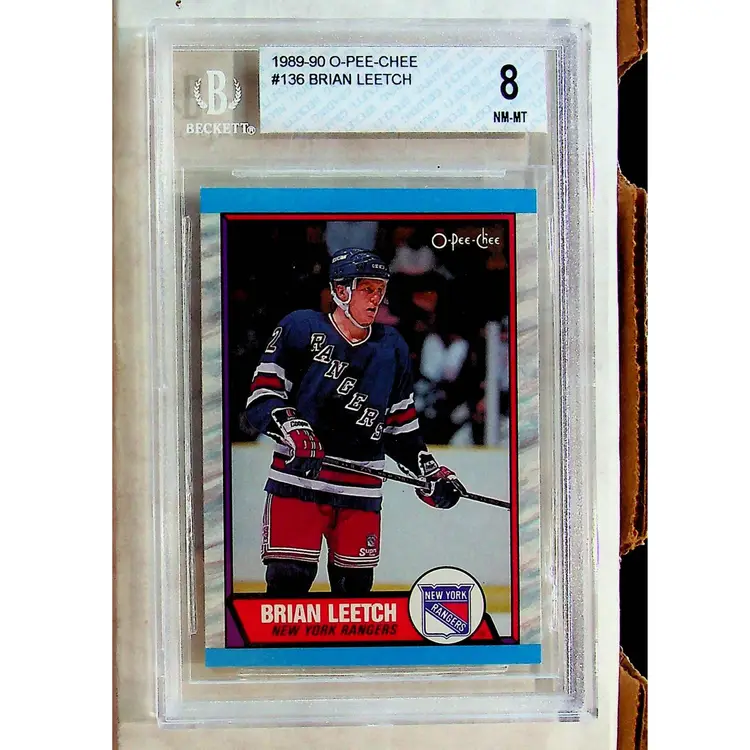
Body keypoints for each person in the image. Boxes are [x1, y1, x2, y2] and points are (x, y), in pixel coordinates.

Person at [244, 248, 466, 596]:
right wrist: (291, 426)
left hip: (361, 489)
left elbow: (399, 426)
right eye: (367, 289)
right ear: (340, 290)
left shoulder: (391, 346)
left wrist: (428, 471)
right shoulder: (300, 327)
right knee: (289, 583)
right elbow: (262, 396)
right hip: (299, 481)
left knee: (355, 596)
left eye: (380, 289)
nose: (376, 298)